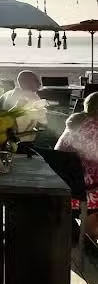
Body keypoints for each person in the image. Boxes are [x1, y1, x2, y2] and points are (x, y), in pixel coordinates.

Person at [56, 93, 98, 239]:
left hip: (63, 187)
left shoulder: (76, 122)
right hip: (84, 192)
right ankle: (89, 238)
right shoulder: (95, 127)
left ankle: (87, 236)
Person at [0, 70, 46, 141]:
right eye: (36, 81)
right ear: (28, 82)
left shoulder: (8, 94)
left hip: (3, 134)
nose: (39, 84)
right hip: (21, 138)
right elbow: (43, 121)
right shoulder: (31, 96)